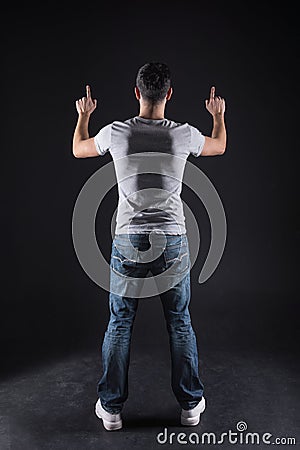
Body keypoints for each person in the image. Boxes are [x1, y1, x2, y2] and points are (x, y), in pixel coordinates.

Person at [72, 62, 226, 431]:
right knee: (179, 321)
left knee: (120, 322)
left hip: (127, 239)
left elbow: (79, 149)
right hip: (172, 238)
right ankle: (190, 406)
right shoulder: (184, 135)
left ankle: (111, 409)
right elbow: (219, 145)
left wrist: (84, 116)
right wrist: (218, 116)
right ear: (169, 95)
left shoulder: (116, 132)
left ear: (137, 93)